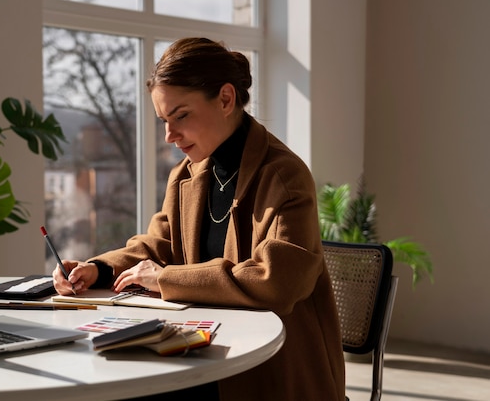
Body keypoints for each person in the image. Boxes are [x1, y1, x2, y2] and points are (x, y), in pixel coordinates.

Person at [53, 37, 345, 400]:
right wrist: (99, 268)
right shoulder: (186, 175)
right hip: (202, 350)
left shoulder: (284, 176)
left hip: (270, 370)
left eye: (181, 115)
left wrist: (165, 279)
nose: (169, 135)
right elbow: (157, 245)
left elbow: (278, 282)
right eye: (163, 120)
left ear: (225, 99)